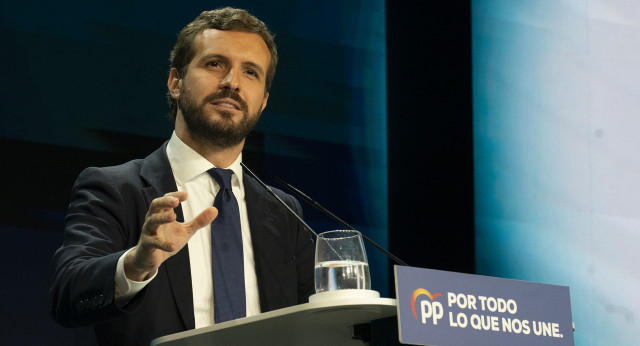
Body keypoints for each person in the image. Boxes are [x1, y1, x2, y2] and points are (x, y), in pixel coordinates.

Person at [49, 7, 315, 346]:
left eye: (250, 72)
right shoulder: (116, 189)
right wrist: (136, 264)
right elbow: (67, 294)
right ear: (176, 82)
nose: (232, 82)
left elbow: (320, 319)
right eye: (215, 63)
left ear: (262, 102)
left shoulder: (284, 211)